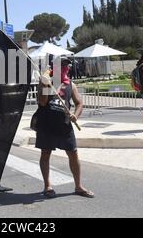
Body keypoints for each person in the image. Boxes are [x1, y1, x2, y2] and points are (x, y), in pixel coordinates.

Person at [35, 55, 95, 199]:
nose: (65, 68)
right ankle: (47, 186)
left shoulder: (71, 85)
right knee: (45, 153)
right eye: (62, 66)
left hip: (65, 125)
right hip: (47, 124)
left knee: (73, 153)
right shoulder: (46, 83)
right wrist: (44, 84)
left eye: (67, 66)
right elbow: (42, 103)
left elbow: (79, 103)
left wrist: (76, 115)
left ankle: (78, 186)